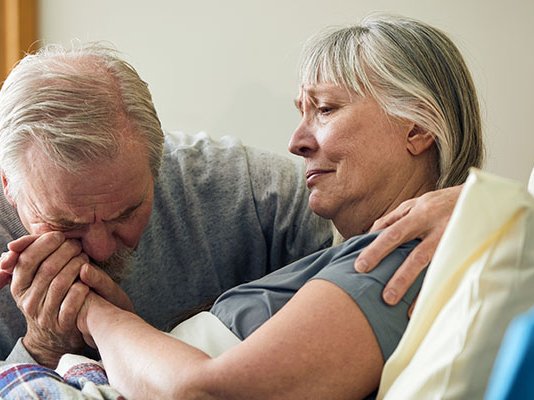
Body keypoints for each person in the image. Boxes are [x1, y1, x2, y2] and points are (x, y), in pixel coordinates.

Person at [0, 13, 483, 399]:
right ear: (9, 185)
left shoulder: (275, 204)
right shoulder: (351, 252)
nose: (295, 142)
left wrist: (493, 208)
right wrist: (43, 344)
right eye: (66, 224)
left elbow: (206, 391)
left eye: (327, 109)